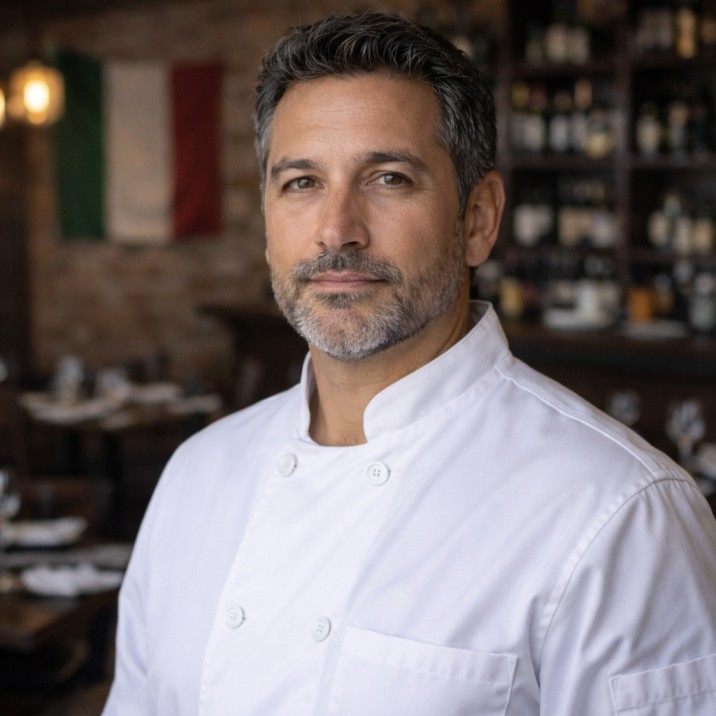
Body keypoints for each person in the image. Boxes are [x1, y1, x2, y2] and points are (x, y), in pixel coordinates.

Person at [102, 12, 716, 715]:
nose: (337, 230)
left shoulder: (619, 512)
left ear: (478, 219)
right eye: (301, 182)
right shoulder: (196, 475)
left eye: (388, 178)